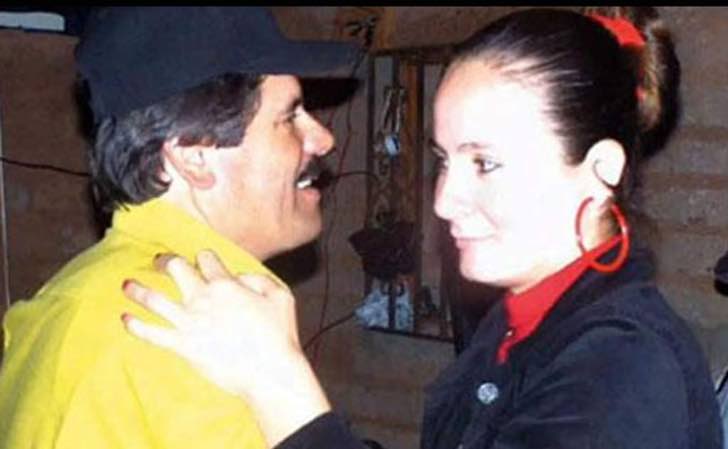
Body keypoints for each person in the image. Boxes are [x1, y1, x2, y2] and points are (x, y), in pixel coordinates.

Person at [121, 6, 723, 449]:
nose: (444, 201)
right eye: (443, 160)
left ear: (601, 169)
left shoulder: (621, 369)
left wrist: (276, 380)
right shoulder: (522, 323)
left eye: (484, 162)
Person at [0, 6, 359, 449]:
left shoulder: (60, 298)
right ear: (194, 155)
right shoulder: (202, 338)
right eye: (289, 117)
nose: (323, 139)